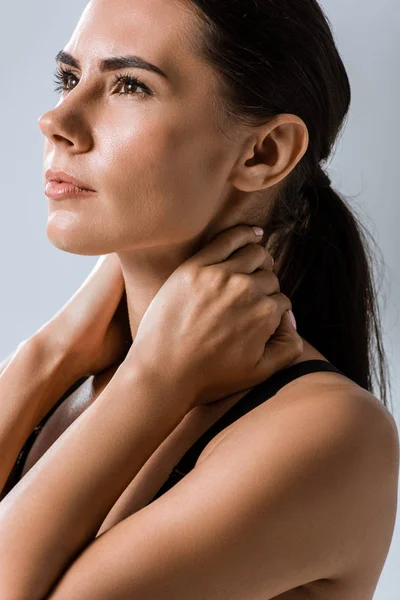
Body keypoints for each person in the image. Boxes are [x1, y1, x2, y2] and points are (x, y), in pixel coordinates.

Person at [0, 1, 398, 599]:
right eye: (69, 78)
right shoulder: (63, 378)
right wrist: (43, 357)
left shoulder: (329, 433)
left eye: (129, 84)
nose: (57, 118)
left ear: (264, 153)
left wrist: (155, 379)